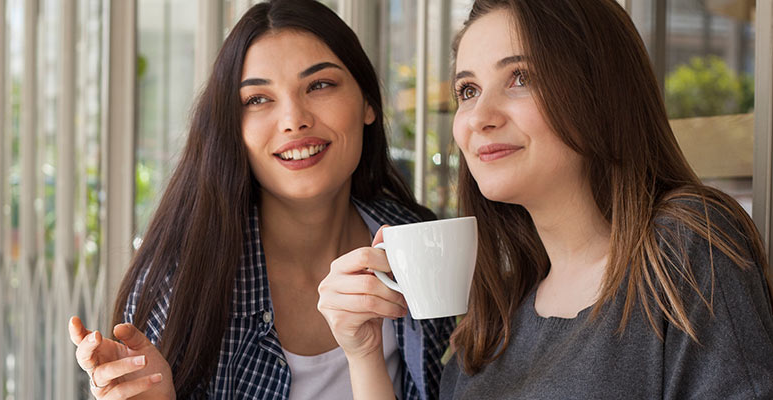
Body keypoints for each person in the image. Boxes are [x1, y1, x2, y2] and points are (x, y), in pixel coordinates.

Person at [318, 0, 773, 398]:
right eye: (468, 90)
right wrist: (364, 356)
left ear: (597, 91)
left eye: (520, 78)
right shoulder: (500, 309)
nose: (480, 117)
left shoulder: (684, 244)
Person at [68, 0, 454, 398]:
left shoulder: (418, 243)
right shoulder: (183, 278)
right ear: (232, 127)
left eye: (319, 85)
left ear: (368, 103)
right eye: (257, 99)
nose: (293, 119)